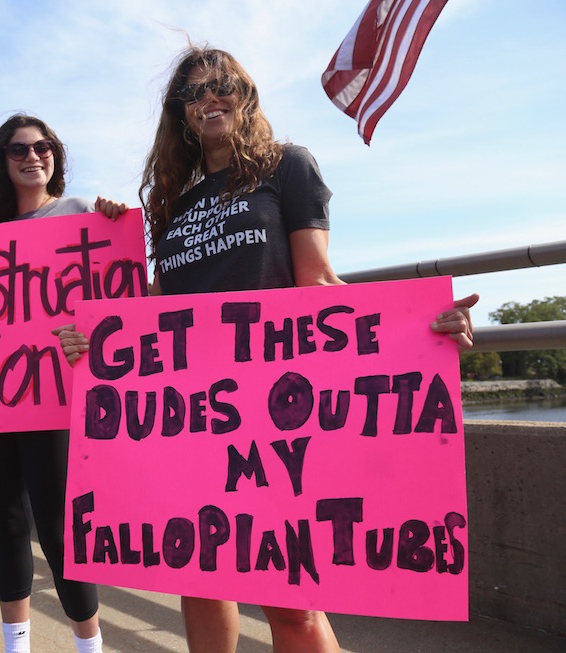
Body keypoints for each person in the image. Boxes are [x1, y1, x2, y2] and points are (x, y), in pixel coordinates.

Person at [56, 46, 477, 653]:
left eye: (221, 84)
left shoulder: (286, 167)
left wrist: (419, 329)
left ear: (244, 93)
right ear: (181, 113)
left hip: (277, 417)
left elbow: (319, 282)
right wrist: (98, 340)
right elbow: (160, 311)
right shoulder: (171, 203)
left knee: (292, 605)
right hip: (192, 417)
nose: (209, 98)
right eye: (193, 92)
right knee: (200, 581)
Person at [0, 114, 115, 653]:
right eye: (18, 149)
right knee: (6, 520)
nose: (33, 156)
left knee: (58, 527)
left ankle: (89, 646)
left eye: (43, 146)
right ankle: (16, 647)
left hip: (53, 393)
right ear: (1, 161)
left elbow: (114, 294)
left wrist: (114, 220)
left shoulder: (80, 211)